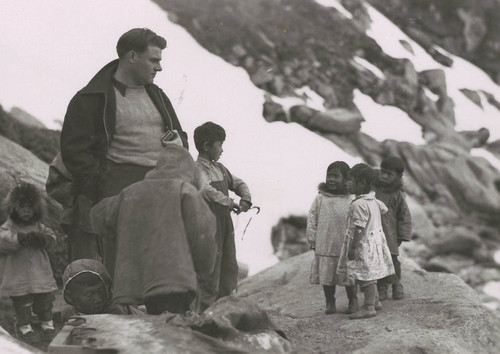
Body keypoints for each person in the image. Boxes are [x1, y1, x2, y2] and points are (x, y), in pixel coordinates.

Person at [60, 28, 188, 261]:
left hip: (161, 189)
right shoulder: (90, 98)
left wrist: (180, 145)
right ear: (131, 57)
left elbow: (181, 135)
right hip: (119, 192)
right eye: (154, 60)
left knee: (161, 265)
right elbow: (74, 151)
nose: (159, 67)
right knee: (124, 266)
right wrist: (103, 184)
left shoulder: (158, 95)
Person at [90, 143, 216, 315]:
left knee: (152, 323)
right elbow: (204, 235)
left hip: (138, 282)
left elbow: (98, 217)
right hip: (175, 280)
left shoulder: (130, 192)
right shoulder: (185, 191)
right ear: (191, 174)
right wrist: (204, 268)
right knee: (173, 329)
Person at [193, 122, 252, 311]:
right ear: (206, 146)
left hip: (225, 224)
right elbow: (206, 190)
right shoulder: (196, 169)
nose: (222, 149)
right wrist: (230, 202)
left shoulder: (220, 168)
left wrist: (245, 198)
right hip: (207, 225)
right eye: (219, 144)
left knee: (229, 265)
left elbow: (239, 183)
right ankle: (205, 312)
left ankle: (225, 309)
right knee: (210, 268)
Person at [0, 183, 58, 345]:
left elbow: (52, 238)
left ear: (37, 209)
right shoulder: (10, 227)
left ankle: (47, 324)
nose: (26, 210)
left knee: (45, 300)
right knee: (23, 302)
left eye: (30, 207)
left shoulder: (39, 227)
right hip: (18, 275)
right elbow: (2, 240)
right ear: (13, 208)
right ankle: (24, 326)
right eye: (21, 206)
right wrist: (18, 239)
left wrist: (44, 239)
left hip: (40, 274)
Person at [339, 164, 395, 320]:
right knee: (370, 273)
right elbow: (384, 210)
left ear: (362, 183)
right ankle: (375, 300)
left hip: (363, 243)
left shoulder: (359, 204)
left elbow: (359, 227)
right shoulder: (373, 200)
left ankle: (368, 307)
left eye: (350, 180)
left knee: (366, 276)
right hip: (375, 240)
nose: (346, 183)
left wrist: (353, 247)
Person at [306, 161, 358, 315]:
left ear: (346, 179)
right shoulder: (320, 198)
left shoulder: (351, 198)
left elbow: (357, 220)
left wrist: (356, 242)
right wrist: (312, 238)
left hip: (344, 244)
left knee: (348, 274)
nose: (331, 180)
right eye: (329, 176)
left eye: (336, 176)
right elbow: (312, 217)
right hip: (325, 243)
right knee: (327, 276)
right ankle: (330, 300)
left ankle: (353, 299)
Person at [373, 156, 412, 300]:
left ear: (399, 176)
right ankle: (381, 286)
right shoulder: (373, 187)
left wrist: (402, 235)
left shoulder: (398, 194)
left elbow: (404, 215)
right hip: (372, 232)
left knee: (392, 260)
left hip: (390, 234)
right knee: (376, 259)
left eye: (389, 174)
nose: (383, 176)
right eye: (382, 172)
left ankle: (396, 284)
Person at [60, 259, 144, 323]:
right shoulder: (68, 313)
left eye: (101, 291)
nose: (98, 299)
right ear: (70, 297)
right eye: (89, 294)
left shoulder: (115, 309)